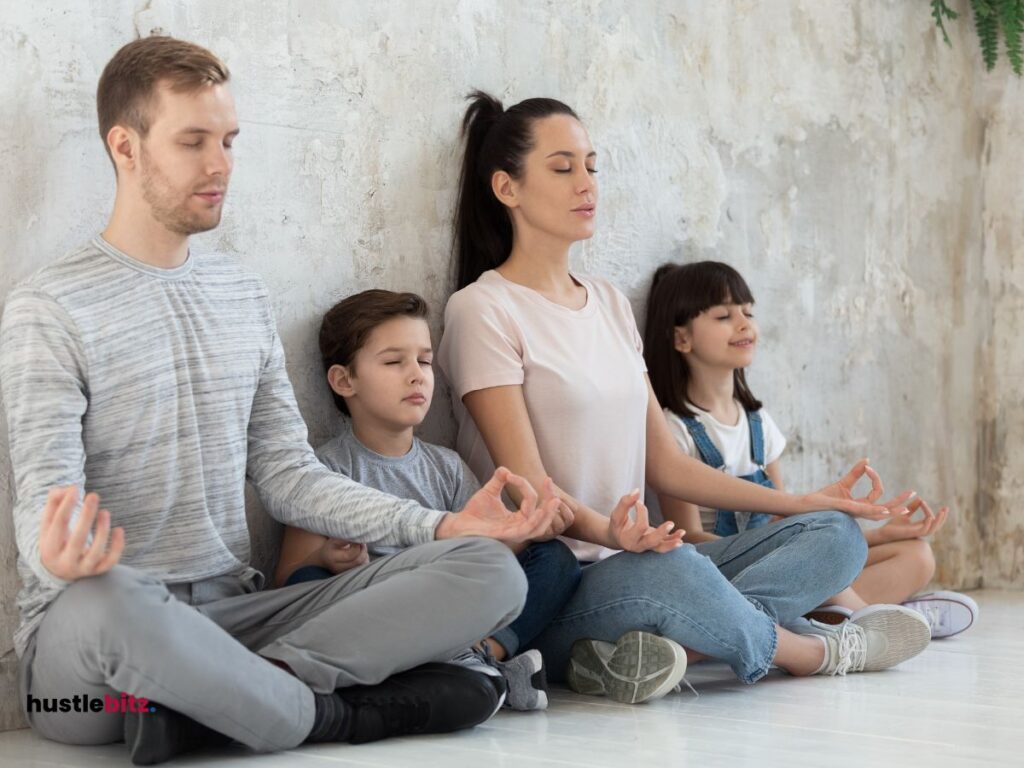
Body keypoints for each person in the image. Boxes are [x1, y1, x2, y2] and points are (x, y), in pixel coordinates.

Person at [0, 37, 561, 766]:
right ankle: (337, 717)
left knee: (487, 569)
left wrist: (440, 523)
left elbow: (289, 475)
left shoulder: (242, 295)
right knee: (112, 601)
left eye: (229, 140)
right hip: (92, 657)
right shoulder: (50, 306)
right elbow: (44, 501)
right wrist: (60, 561)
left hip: (240, 619)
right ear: (125, 147)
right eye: (193, 141)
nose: (220, 164)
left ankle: (236, 701)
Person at [436, 90, 934, 704]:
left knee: (833, 533)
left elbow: (669, 465)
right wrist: (618, 539)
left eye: (592, 166)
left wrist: (797, 501)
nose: (585, 183)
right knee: (675, 570)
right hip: (555, 585)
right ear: (507, 189)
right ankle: (809, 650)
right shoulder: (482, 310)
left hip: (640, 565)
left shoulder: (610, 302)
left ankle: (670, 648)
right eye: (562, 168)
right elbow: (530, 490)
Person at [275, 288, 583, 709]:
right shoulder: (325, 472)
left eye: (423, 360)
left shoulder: (447, 467)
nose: (416, 374)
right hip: (378, 617)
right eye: (393, 361)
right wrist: (331, 562)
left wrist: (524, 531)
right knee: (307, 586)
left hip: (449, 614)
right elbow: (289, 583)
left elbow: (486, 559)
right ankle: (452, 667)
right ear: (345, 380)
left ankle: (481, 655)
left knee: (554, 559)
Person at [642, 260, 978, 640]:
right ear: (682, 339)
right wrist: (779, 555)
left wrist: (882, 535)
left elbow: (782, 524)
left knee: (916, 554)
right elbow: (685, 538)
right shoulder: (675, 430)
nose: (744, 324)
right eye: (724, 316)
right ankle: (882, 626)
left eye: (748, 312)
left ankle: (836, 620)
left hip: (777, 560)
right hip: (721, 571)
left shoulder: (758, 423)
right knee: (819, 572)